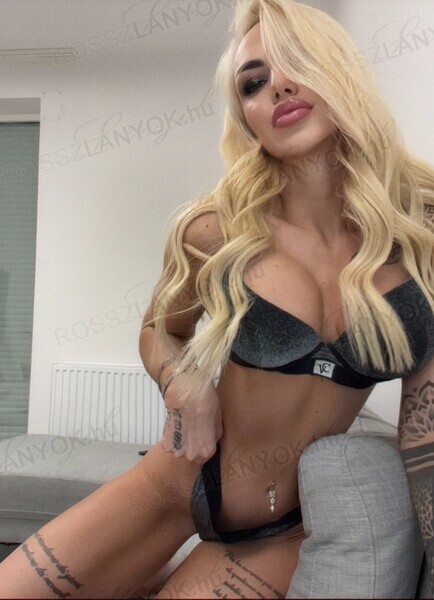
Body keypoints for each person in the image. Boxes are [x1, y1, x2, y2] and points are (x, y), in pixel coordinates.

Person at [1, 0, 433, 597]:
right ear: (247, 117)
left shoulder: (418, 235)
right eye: (253, 83)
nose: (278, 86)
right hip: (174, 486)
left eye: (296, 62)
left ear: (341, 71)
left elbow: (423, 433)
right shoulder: (215, 230)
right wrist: (183, 385)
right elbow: (160, 329)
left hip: (279, 532)